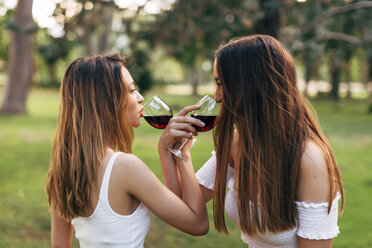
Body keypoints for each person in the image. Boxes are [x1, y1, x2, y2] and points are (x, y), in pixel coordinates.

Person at [159, 34, 344, 248]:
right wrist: (174, 152)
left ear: (251, 86)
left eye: (221, 84)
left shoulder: (309, 159)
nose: (217, 96)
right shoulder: (239, 143)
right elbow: (184, 206)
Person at [45, 54, 208, 248]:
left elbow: (59, 245)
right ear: (106, 100)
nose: (140, 98)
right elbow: (197, 224)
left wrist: (167, 152)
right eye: (131, 90)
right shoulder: (125, 167)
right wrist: (183, 155)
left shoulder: (64, 167)